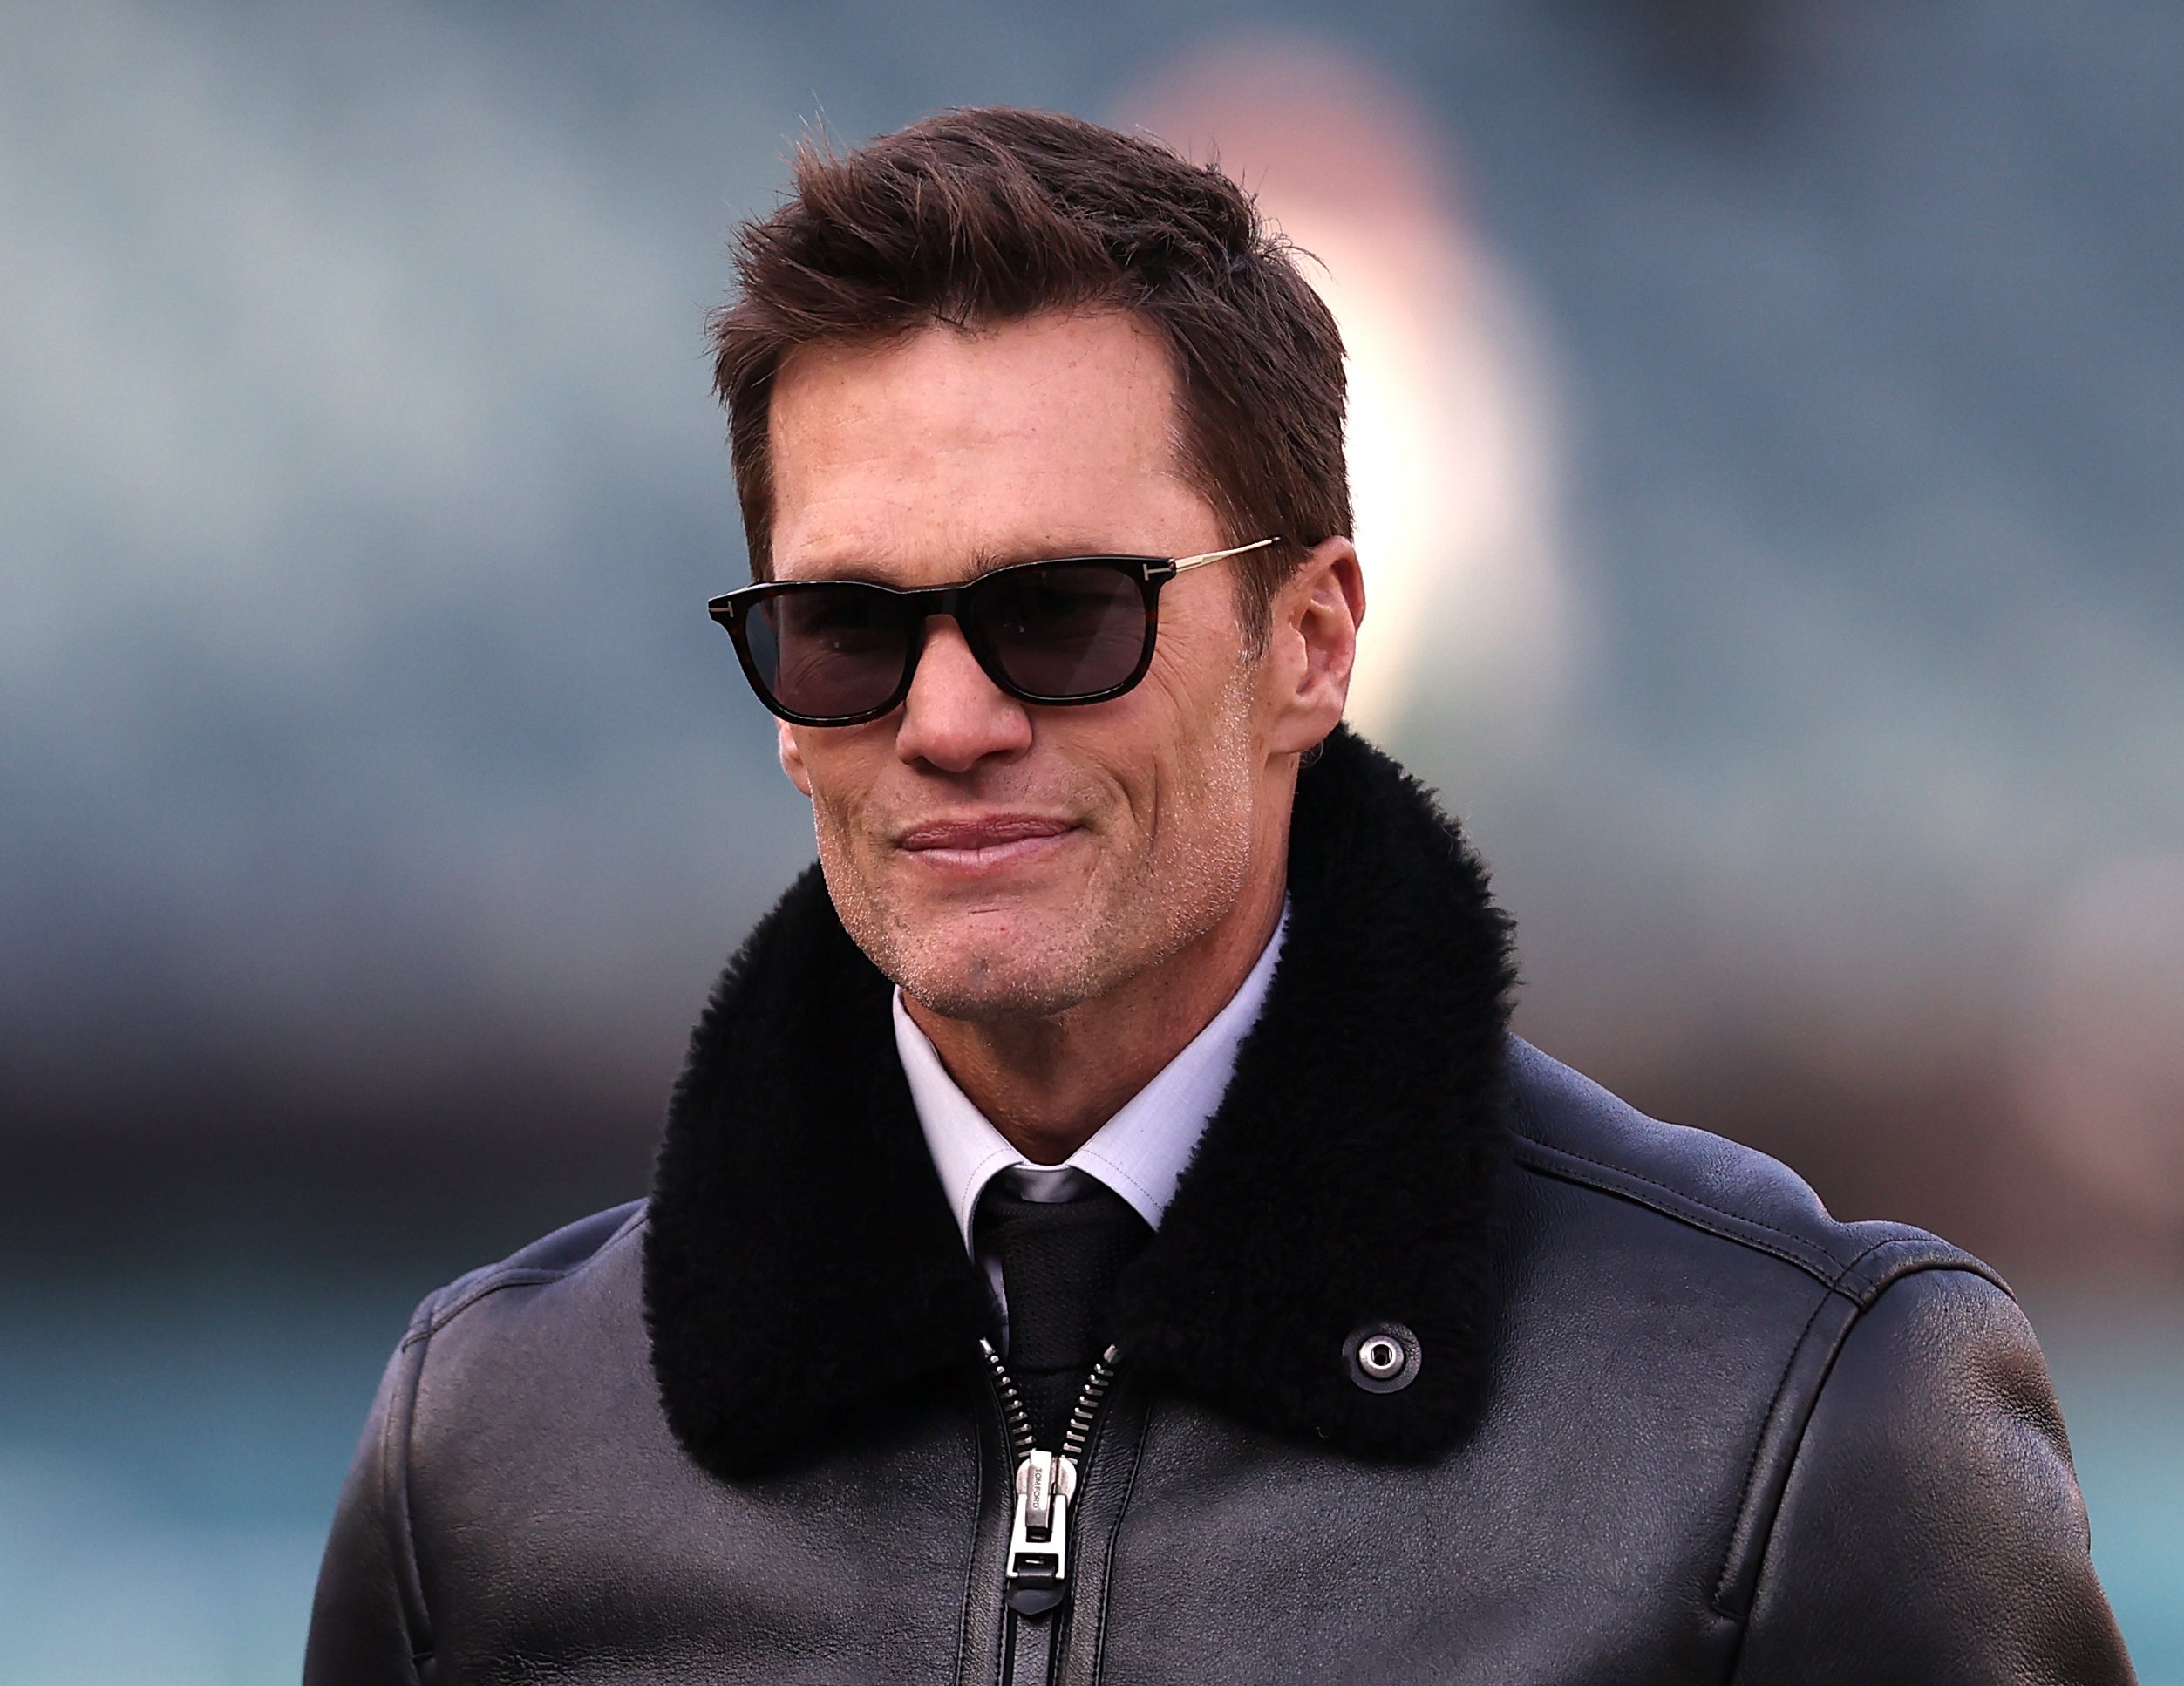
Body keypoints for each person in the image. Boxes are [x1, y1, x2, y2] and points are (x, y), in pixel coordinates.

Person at [304, 108, 2133, 1684]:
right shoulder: (492, 1446)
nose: (946, 719)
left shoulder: (1796, 1408)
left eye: (1062, 613)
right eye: (845, 628)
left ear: (1310, 644)